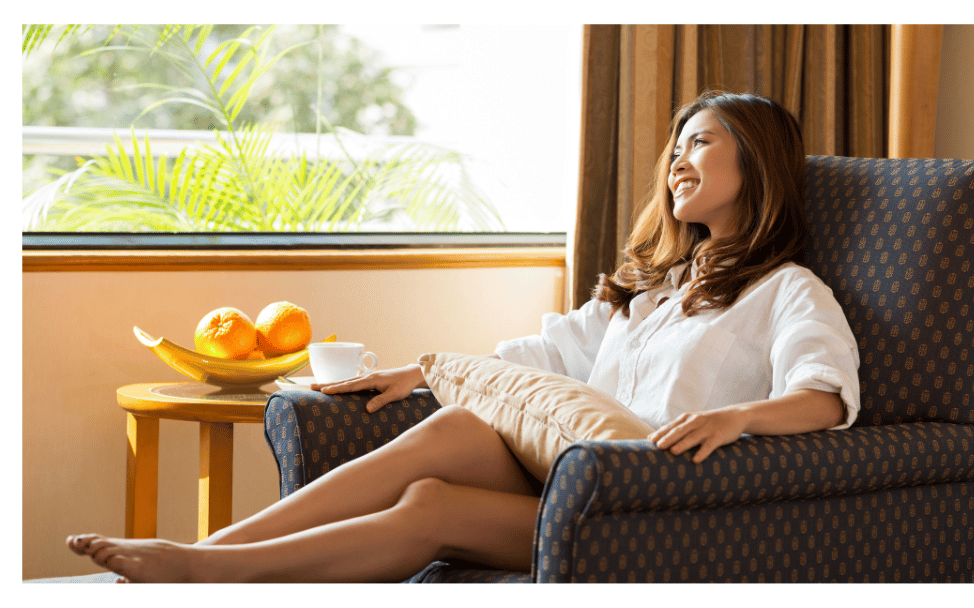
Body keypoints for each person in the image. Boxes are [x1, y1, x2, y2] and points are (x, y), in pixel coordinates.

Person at [66, 91, 860, 583]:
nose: (678, 160)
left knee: (432, 506)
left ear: (757, 164)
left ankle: (215, 572)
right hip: (574, 472)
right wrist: (418, 372)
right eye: (677, 145)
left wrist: (739, 418)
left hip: (649, 504)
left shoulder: (786, 289)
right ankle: (208, 555)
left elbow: (823, 396)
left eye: (702, 142)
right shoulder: (654, 290)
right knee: (452, 424)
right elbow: (542, 359)